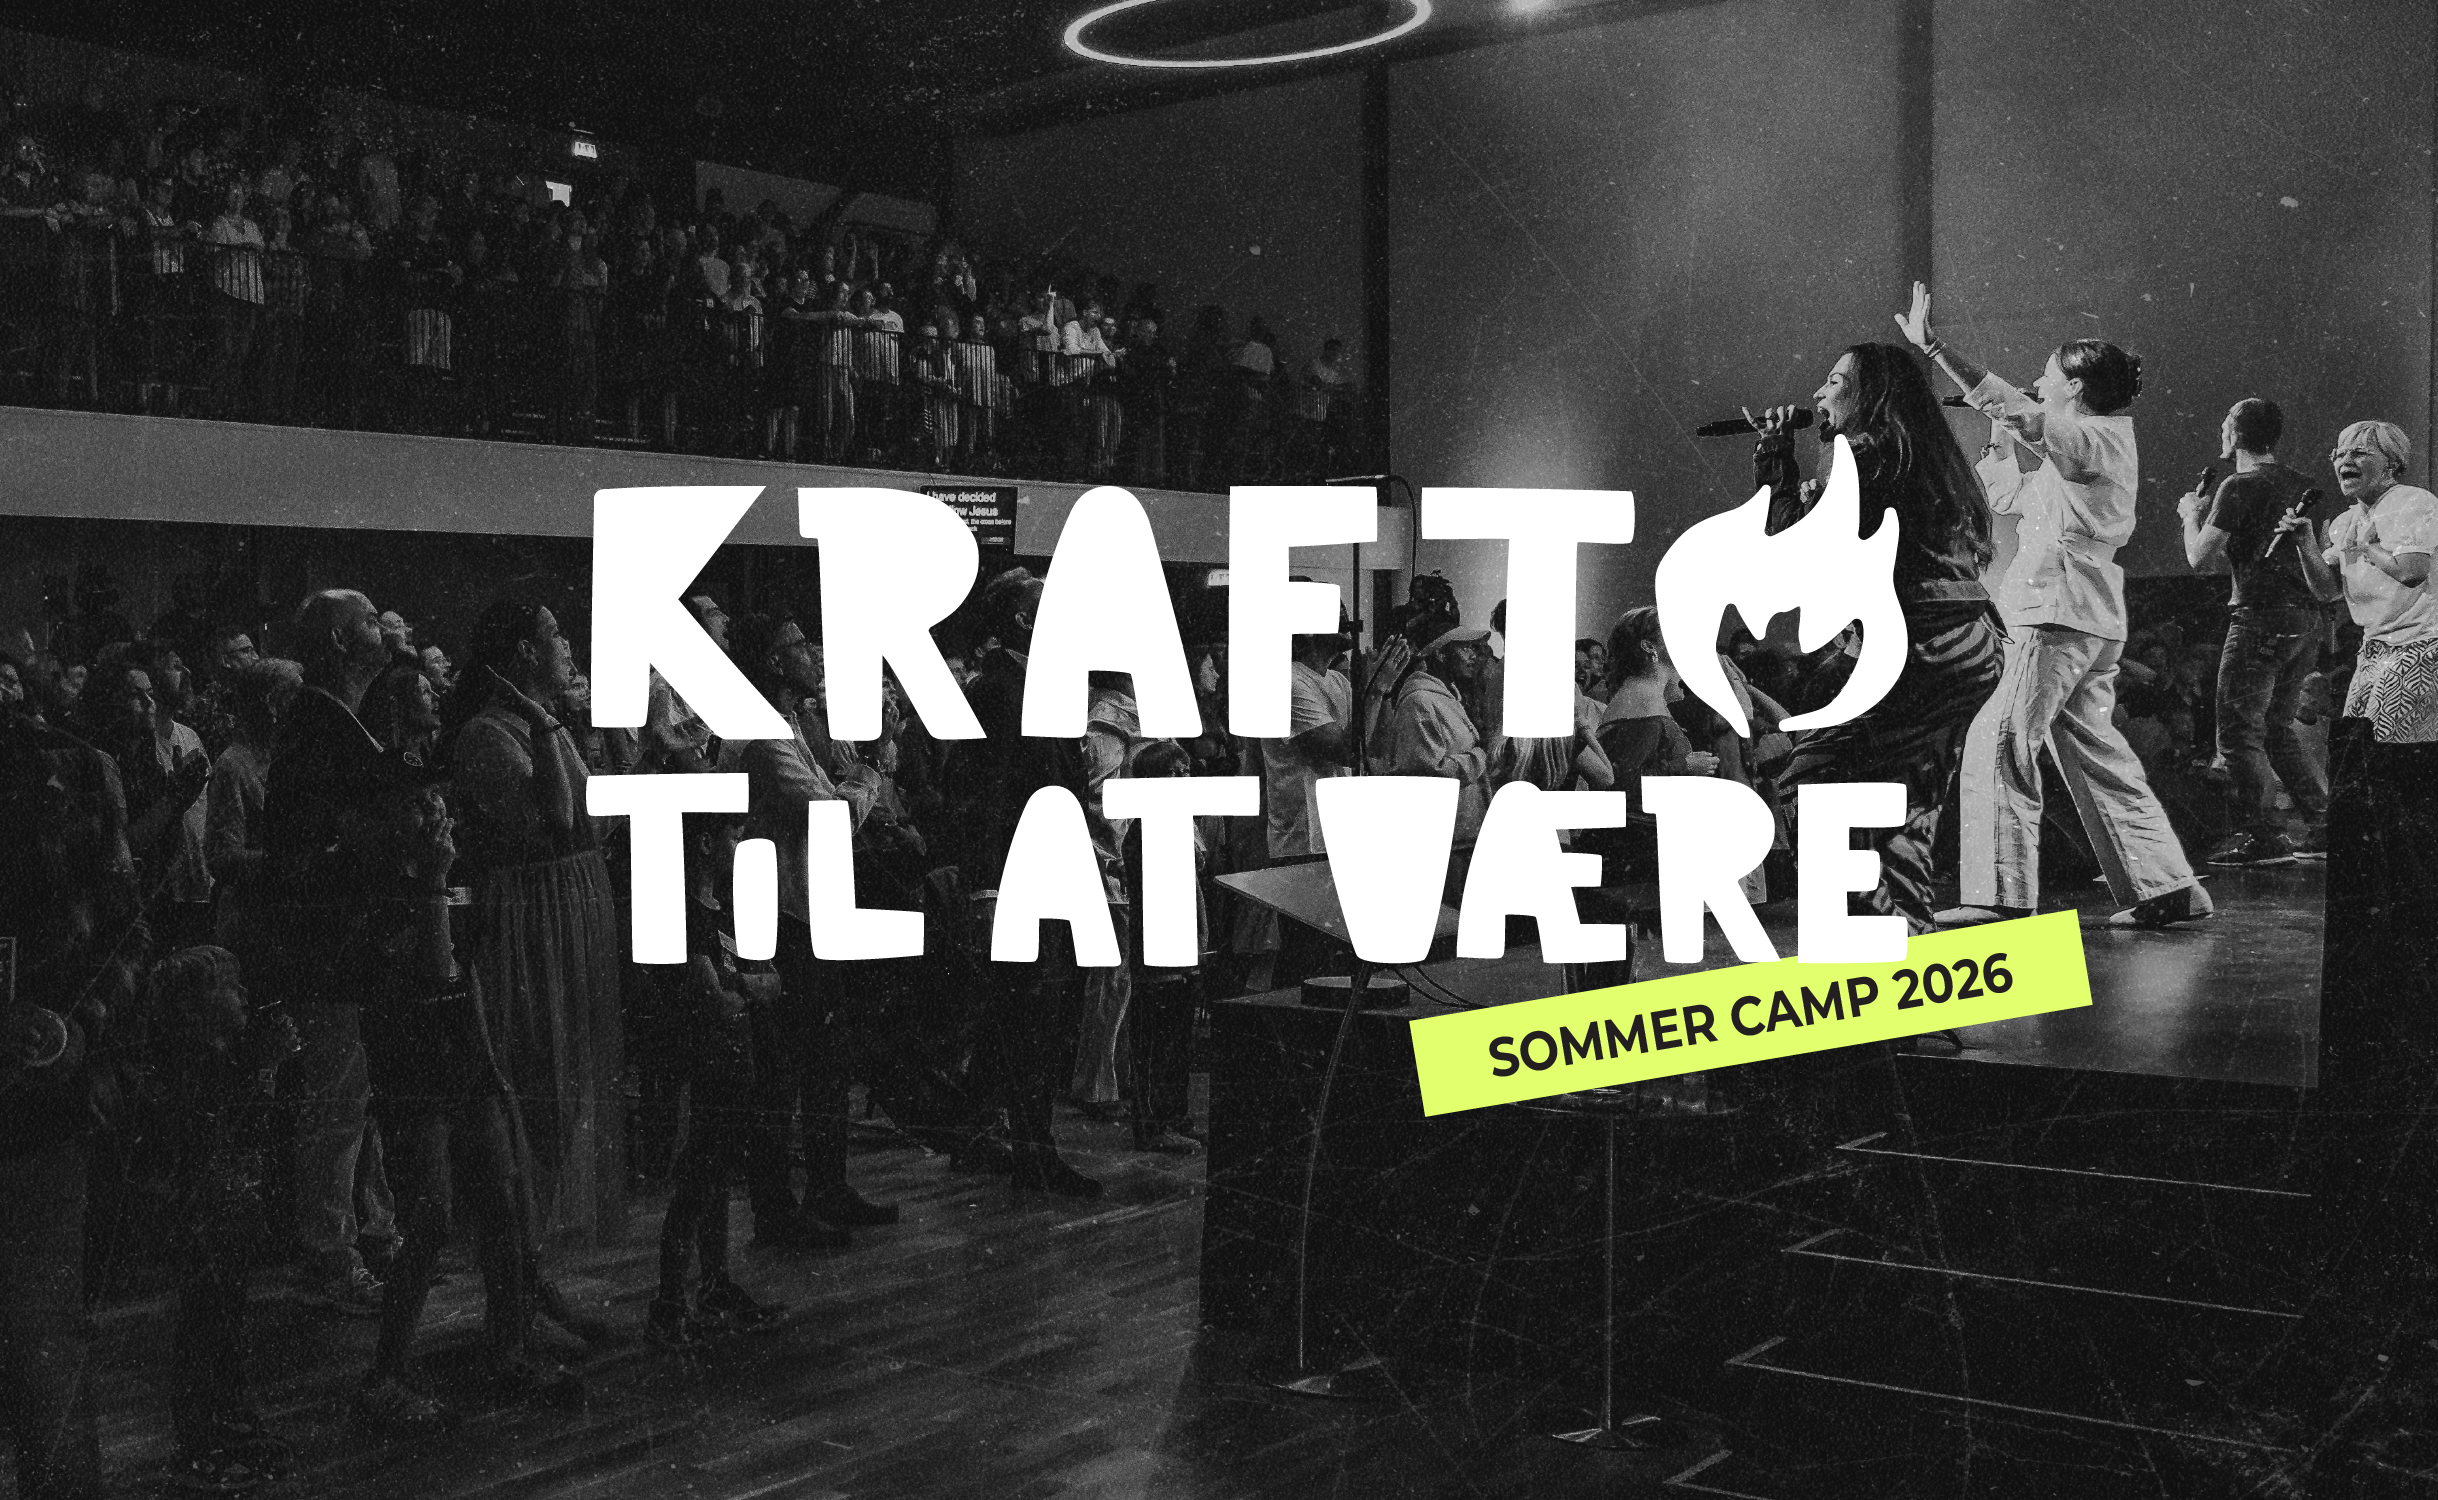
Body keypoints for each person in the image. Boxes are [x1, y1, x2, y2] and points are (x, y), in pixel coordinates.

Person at [1894, 283, 2213, 929]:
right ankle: (2167, 888)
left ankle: (1999, 895)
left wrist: (1937, 350)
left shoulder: (2095, 438)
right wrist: (2000, 434)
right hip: (2082, 613)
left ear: (2074, 386)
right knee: (2096, 751)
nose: (2037, 383)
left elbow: (2021, 413)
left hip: (2055, 610)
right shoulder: (2087, 446)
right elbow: (2006, 495)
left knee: (1999, 738)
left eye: (2046, 376)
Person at [1745, 341, 2005, 936]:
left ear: (1872, 395)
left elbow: (1795, 557)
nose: (1818, 392)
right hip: (1968, 646)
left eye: (1836, 382)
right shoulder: (1922, 454)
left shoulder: (1861, 453)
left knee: (1814, 784)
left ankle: (1875, 938)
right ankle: (1903, 950)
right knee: (1903, 806)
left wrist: (1776, 464)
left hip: (1918, 648)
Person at [446, 600, 627, 1246]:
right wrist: (543, 724)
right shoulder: (489, 734)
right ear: (523, 652)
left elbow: (593, 820)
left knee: (568, 1081)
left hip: (570, 912)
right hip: (534, 923)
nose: (568, 645)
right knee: (537, 1082)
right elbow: (554, 818)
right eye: (555, 634)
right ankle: (520, 1260)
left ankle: (537, 1253)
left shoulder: (545, 725)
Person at [728, 613, 901, 1245]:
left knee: (827, 1059)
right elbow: (832, 816)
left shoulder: (797, 723)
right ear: (775, 663)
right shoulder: (764, 733)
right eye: (799, 644)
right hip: (780, 914)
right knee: (785, 1069)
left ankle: (827, 1189)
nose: (814, 654)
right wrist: (872, 765)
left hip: (806, 908)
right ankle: (777, 1212)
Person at [947, 569, 1105, 1197]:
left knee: (1031, 1016)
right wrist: (986, 885)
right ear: (1021, 620)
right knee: (1027, 1018)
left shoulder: (1038, 687)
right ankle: (1030, 1152)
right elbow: (981, 793)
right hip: (1016, 875)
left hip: (1050, 869)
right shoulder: (995, 690)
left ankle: (1001, 1139)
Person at [143, 946, 300, 1493]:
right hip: (205, 1217)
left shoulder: (216, 1055)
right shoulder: (199, 1063)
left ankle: (224, 1427)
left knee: (222, 1320)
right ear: (197, 1006)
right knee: (207, 1325)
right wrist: (267, 1065)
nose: (244, 996)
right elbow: (225, 1128)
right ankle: (201, 1441)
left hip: (223, 1211)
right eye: (230, 987)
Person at [2178, 397, 2333, 865]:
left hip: (2258, 618)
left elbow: (2199, 557)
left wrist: (2191, 515)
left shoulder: (2237, 485)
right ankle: (2323, 824)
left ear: (2233, 432)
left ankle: (2265, 837)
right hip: (2304, 619)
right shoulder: (2301, 483)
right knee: (2276, 728)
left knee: (2237, 734)